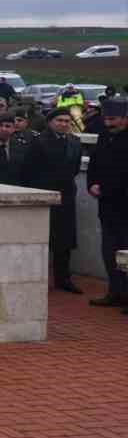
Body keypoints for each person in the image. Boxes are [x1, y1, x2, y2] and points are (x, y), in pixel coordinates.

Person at [20, 108, 85, 294]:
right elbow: (28, 170)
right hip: (43, 194)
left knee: (64, 240)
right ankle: (35, 278)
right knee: (41, 238)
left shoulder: (74, 141)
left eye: (67, 121)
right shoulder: (39, 142)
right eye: (60, 120)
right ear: (50, 122)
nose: (64, 124)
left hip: (66, 195)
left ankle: (63, 278)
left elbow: (74, 168)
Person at [87, 98, 128, 310]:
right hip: (107, 206)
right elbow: (94, 163)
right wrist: (91, 184)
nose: (108, 123)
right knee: (109, 251)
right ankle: (116, 291)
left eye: (113, 119)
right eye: (106, 119)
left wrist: (109, 190)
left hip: (124, 206)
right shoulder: (104, 136)